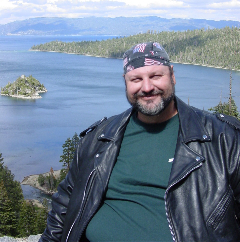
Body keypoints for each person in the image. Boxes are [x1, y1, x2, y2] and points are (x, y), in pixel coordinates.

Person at [40, 42, 240, 242]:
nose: (147, 87)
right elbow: (64, 204)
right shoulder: (99, 139)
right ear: (125, 82)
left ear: (172, 75)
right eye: (136, 79)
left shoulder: (223, 139)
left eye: (156, 76)